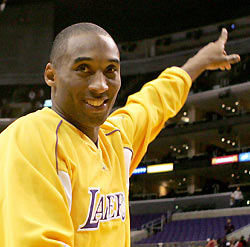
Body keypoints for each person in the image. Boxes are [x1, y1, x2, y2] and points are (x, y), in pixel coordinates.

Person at [0, 23, 240, 247]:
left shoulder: (116, 138)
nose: (100, 85)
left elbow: (155, 100)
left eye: (110, 70)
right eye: (83, 69)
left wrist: (199, 62)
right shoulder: (30, 138)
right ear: (51, 75)